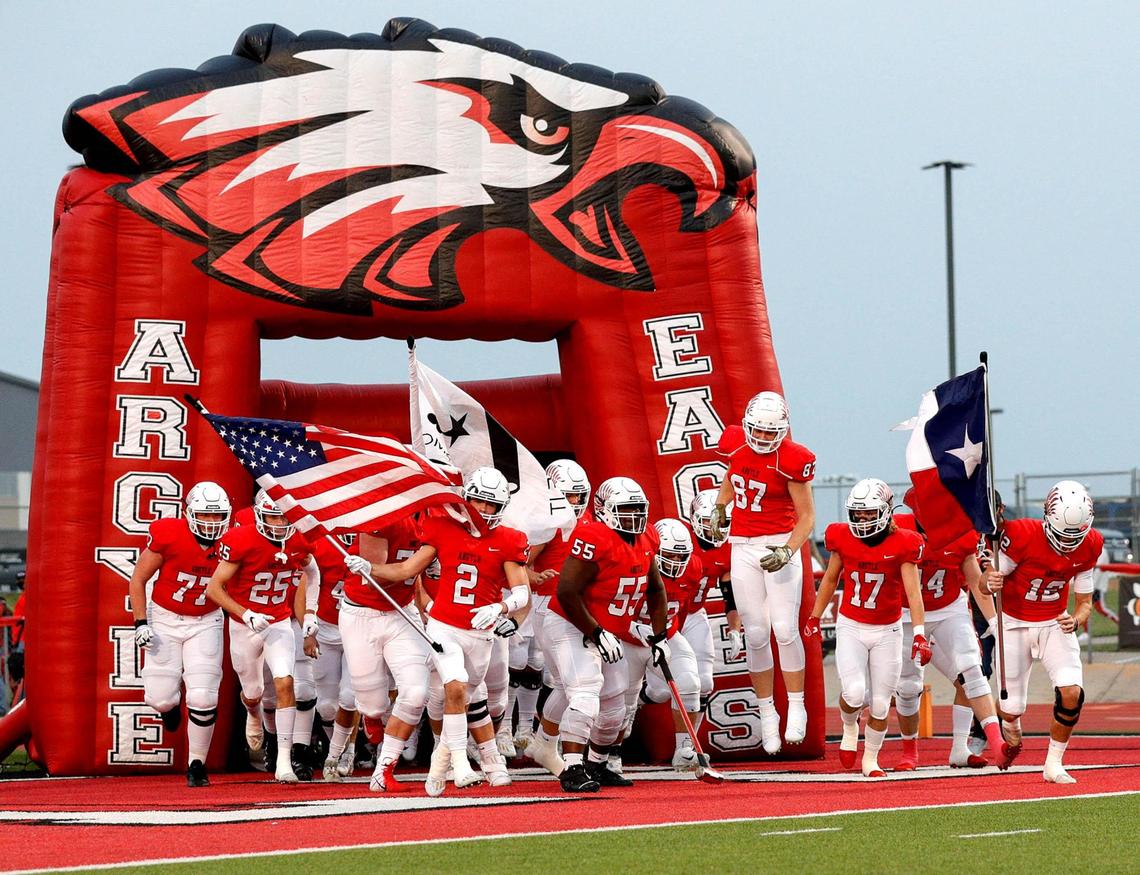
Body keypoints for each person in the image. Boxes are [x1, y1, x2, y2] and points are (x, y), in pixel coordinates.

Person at [357, 467, 530, 796]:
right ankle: (462, 763)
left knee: (464, 696)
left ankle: (445, 763)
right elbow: (407, 569)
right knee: (454, 688)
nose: (485, 511)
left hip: (481, 632)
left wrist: (501, 607)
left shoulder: (510, 538)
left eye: (492, 505)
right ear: (467, 500)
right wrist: (370, 568)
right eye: (480, 502)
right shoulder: (443, 528)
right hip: (442, 626)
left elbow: (522, 593)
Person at [546, 476, 669, 792]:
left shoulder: (646, 539)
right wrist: (596, 632)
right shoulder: (593, 536)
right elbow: (567, 592)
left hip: (608, 630)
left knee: (616, 704)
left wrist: (660, 636)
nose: (635, 516)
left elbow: (655, 591)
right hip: (571, 624)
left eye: (639, 509)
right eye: (626, 509)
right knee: (586, 690)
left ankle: (596, 765)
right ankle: (571, 768)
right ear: (604, 510)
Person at [804, 479, 929, 777]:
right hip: (852, 626)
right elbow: (831, 580)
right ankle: (849, 728)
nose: (861, 520)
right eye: (857, 514)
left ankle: (871, 759)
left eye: (869, 514)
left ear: (885, 512)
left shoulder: (905, 542)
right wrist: (814, 617)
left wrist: (920, 633)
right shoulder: (842, 537)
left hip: (888, 630)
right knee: (855, 693)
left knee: (882, 705)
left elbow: (913, 594)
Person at [713, 391, 816, 752]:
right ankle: (766, 712)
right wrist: (720, 507)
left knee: (785, 629)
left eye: (769, 433)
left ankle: (797, 707)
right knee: (756, 633)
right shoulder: (735, 446)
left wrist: (788, 550)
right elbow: (733, 476)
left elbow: (807, 517)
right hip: (742, 545)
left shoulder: (792, 459)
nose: (761, 439)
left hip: (778, 544)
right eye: (756, 431)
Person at [984, 480, 1104, 784]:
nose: (1069, 543)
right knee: (1010, 709)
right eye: (1064, 534)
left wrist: (1076, 620)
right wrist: (991, 582)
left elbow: (1085, 601)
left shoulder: (1091, 544)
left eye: (1076, 535)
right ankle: (1012, 733)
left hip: (1054, 621)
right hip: (1013, 623)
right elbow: (987, 581)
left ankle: (1053, 763)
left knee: (1072, 692)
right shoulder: (1022, 535)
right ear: (1047, 519)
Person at [205, 489, 319, 783]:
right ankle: (253, 715)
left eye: (284, 517)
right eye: (273, 517)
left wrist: (309, 615)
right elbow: (214, 589)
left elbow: (313, 574)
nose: (280, 524)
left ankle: (284, 762)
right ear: (258, 515)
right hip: (245, 624)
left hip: (279, 621)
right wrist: (246, 614)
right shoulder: (241, 540)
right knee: (254, 693)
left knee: (285, 683)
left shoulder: (299, 539)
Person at [893, 493, 1008, 770]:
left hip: (947, 608)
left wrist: (994, 623)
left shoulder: (962, 534)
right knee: (908, 687)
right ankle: (910, 751)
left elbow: (976, 584)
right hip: (906, 614)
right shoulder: (898, 529)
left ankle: (988, 744)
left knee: (970, 668)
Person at [128, 481, 231, 787]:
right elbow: (139, 578)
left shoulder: (234, 539)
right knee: (159, 698)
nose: (211, 523)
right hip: (166, 618)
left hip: (206, 619)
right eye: (205, 515)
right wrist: (140, 622)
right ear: (188, 513)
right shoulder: (169, 535)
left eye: (217, 516)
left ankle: (196, 764)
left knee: (203, 694)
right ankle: (169, 709)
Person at [340, 514, 432, 791]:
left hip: (403, 611)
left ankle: (384, 769)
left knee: (416, 692)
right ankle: (370, 716)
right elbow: (373, 578)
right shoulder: (384, 514)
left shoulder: (440, 520)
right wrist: (377, 567)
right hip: (361, 613)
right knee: (374, 705)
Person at [527, 459, 590, 775]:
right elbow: (516, 566)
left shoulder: (591, 521)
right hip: (548, 606)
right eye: (567, 496)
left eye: (578, 496)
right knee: (576, 682)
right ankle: (565, 751)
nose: (574, 503)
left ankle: (546, 743)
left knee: (571, 684)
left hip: (580, 608)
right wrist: (533, 577)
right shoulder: (544, 524)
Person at [637, 518, 704, 772]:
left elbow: (683, 608)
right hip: (628, 634)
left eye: (681, 556)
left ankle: (685, 749)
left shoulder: (694, 568)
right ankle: (608, 755)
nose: (675, 563)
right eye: (669, 556)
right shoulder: (638, 563)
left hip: (663, 634)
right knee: (617, 697)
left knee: (690, 682)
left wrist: (669, 635)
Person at [306, 532, 360, 782]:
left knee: (350, 696)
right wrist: (308, 630)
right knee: (326, 706)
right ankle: (338, 746)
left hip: (357, 626)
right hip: (325, 627)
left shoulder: (373, 544)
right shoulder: (321, 544)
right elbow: (303, 589)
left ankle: (342, 752)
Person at [687, 489, 734, 713]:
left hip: (694, 614)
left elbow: (731, 597)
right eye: (708, 520)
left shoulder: (728, 550)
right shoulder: (677, 538)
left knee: (705, 683)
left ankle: (689, 744)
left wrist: (735, 631)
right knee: (658, 690)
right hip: (662, 615)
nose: (714, 527)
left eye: (720, 521)